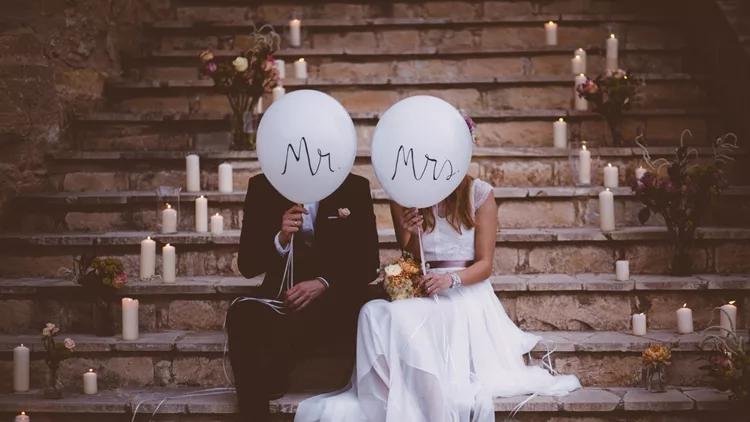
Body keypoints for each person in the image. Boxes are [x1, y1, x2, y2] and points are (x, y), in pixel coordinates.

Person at [295, 174, 581, 422]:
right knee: (371, 312)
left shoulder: (478, 193)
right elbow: (411, 258)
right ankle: (388, 400)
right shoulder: (405, 197)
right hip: (426, 288)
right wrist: (409, 230)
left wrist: (451, 280)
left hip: (465, 292)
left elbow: (485, 265)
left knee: (403, 318)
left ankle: (431, 402)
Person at [227, 172, 380, 422]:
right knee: (241, 315)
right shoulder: (263, 186)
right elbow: (248, 265)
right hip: (283, 297)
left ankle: (281, 365)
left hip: (335, 298)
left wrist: (324, 283)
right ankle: (255, 413)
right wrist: (280, 238)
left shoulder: (354, 186)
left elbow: (369, 264)